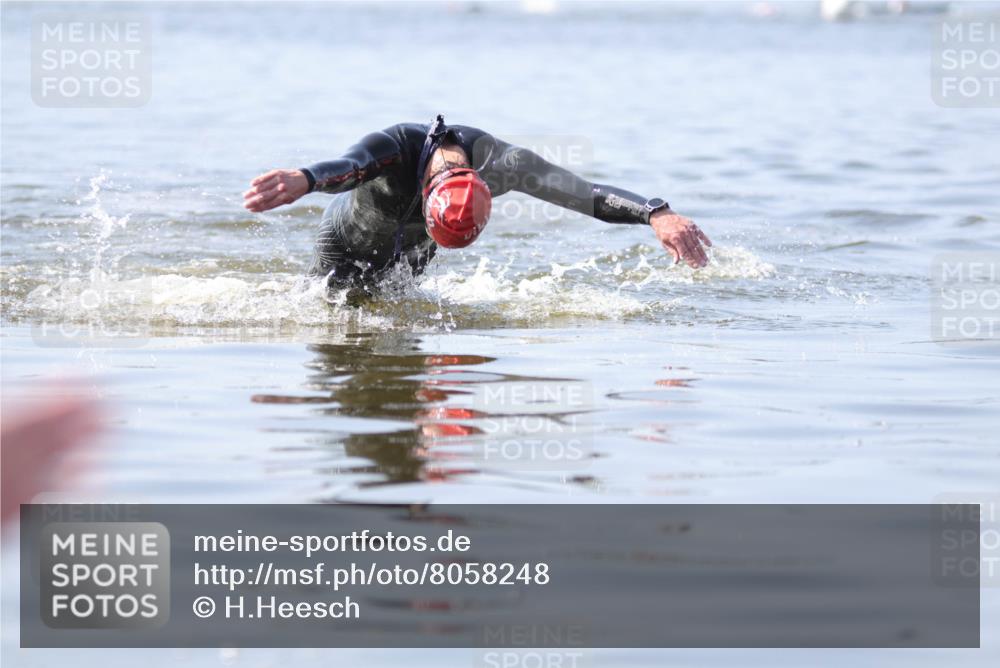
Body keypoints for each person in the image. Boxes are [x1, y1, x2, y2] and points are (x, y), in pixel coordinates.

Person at [244, 116, 711, 294]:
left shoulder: (505, 164)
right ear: (428, 193)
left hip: (415, 252)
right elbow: (347, 165)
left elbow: (586, 195)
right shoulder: (394, 147)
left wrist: (657, 212)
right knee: (336, 325)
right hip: (344, 245)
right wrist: (306, 178)